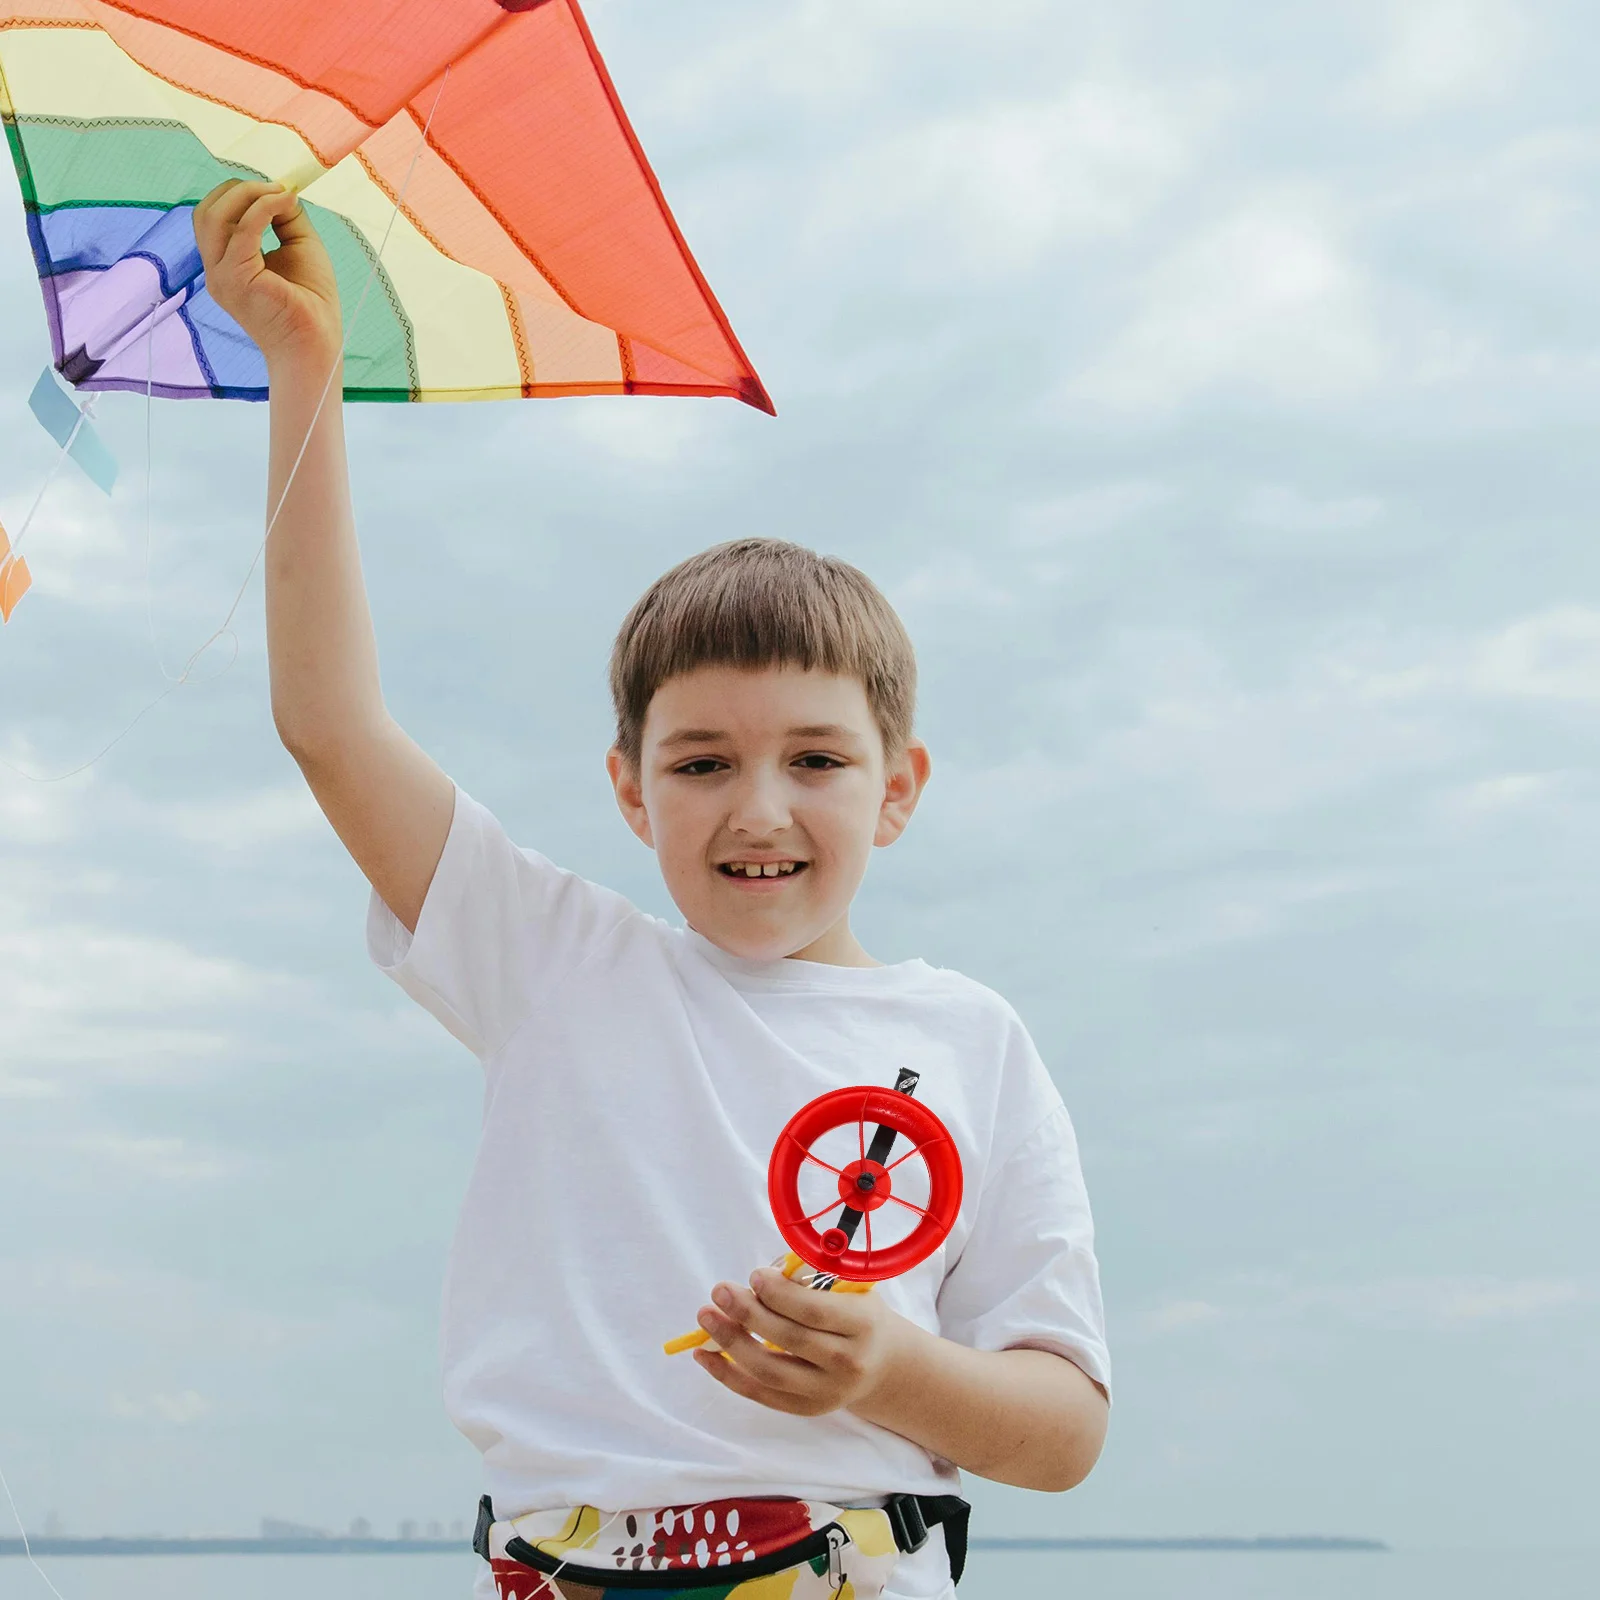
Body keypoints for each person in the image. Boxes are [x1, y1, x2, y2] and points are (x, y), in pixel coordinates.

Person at [194, 178, 1111, 1600]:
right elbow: (330, 724)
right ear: (628, 790)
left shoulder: (975, 1042)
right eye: (700, 764)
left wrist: (893, 1368)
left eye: (817, 758)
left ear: (901, 786)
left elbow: (1060, 1433)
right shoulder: (555, 962)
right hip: (565, 1568)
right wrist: (305, 364)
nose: (759, 809)